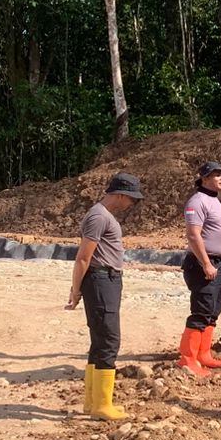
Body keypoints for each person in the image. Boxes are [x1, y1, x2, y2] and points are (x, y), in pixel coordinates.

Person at [66, 172, 145, 421]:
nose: (131, 204)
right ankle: (101, 404)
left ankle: (93, 402)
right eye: (131, 199)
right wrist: (75, 290)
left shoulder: (102, 215)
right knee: (109, 338)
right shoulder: (99, 217)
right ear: (120, 194)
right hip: (101, 280)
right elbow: (83, 257)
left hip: (106, 279)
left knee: (100, 339)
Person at [179, 162, 221, 376]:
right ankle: (187, 358)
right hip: (204, 264)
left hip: (219, 263)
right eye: (216, 175)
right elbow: (193, 235)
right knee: (201, 310)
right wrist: (206, 263)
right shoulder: (198, 201)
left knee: (214, 308)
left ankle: (203, 354)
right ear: (203, 178)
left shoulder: (213, 200)